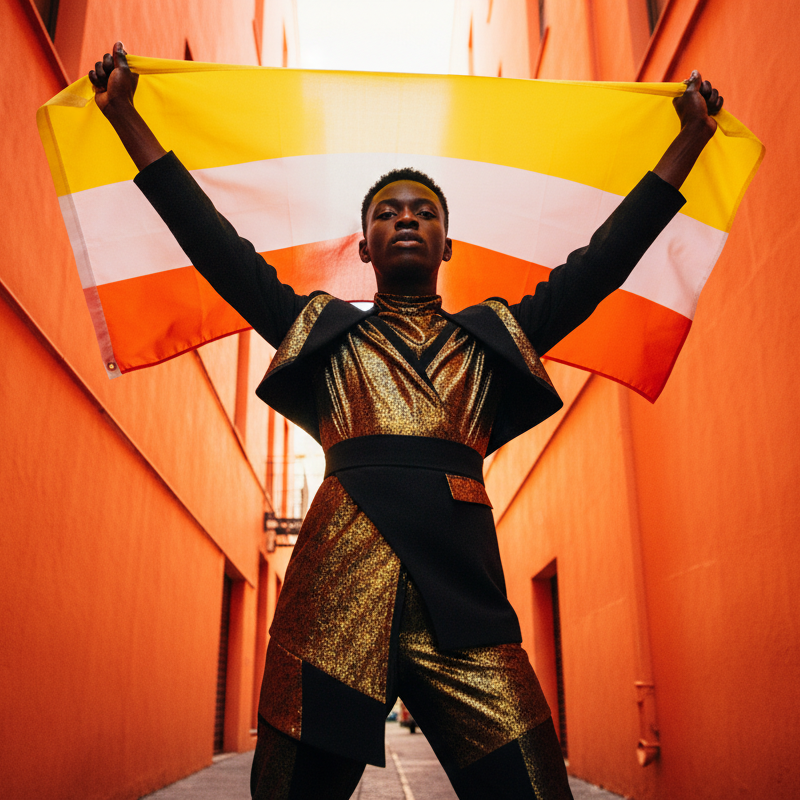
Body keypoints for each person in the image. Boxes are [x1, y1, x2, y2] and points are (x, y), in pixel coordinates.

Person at [88, 42, 723, 800]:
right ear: (364, 246)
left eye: (424, 212)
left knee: (534, 788)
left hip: (467, 605)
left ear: (448, 244)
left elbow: (601, 264)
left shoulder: (492, 342)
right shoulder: (324, 336)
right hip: (334, 601)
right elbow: (217, 248)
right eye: (388, 213)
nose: (407, 220)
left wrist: (688, 141)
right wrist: (126, 118)